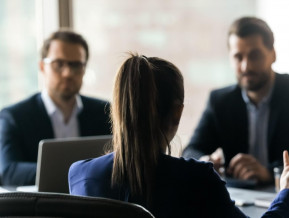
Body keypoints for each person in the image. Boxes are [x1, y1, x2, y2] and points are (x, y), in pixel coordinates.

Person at [69, 53, 289, 217]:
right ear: (177, 112)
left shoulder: (80, 174)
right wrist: (286, 193)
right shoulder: (197, 179)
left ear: (119, 110)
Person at [182, 16, 289, 185]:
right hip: (238, 200)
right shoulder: (220, 101)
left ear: (273, 55)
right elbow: (191, 151)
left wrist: (268, 172)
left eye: (255, 55)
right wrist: (205, 162)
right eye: (238, 57)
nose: (246, 66)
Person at [0, 30, 111, 186]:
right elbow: (9, 171)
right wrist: (75, 171)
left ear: (84, 68)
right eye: (59, 64)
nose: (67, 73)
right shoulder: (14, 117)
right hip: (41, 209)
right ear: (42, 67)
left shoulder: (106, 112)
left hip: (94, 207)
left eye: (76, 65)